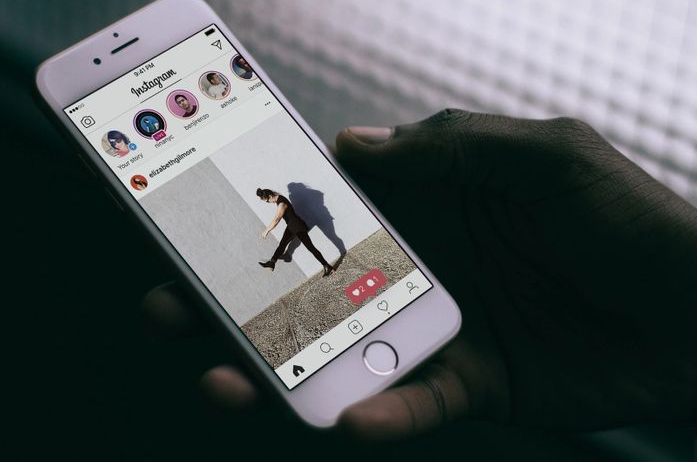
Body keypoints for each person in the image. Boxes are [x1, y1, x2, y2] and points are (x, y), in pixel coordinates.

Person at [142, 110, 697, 440]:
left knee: (301, 247)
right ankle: (308, 262)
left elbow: (286, 218)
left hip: (312, 229)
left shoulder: (293, 196)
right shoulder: (284, 200)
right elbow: (278, 221)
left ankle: (319, 261)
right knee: (291, 252)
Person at [255, 188, 335, 277]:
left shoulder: (282, 203)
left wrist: (267, 230)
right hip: (291, 226)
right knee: (282, 244)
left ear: (270, 196)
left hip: (297, 226)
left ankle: (327, 266)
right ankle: (272, 262)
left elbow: (277, 219)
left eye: (267, 201)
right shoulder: (280, 200)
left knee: (310, 248)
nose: (268, 202)